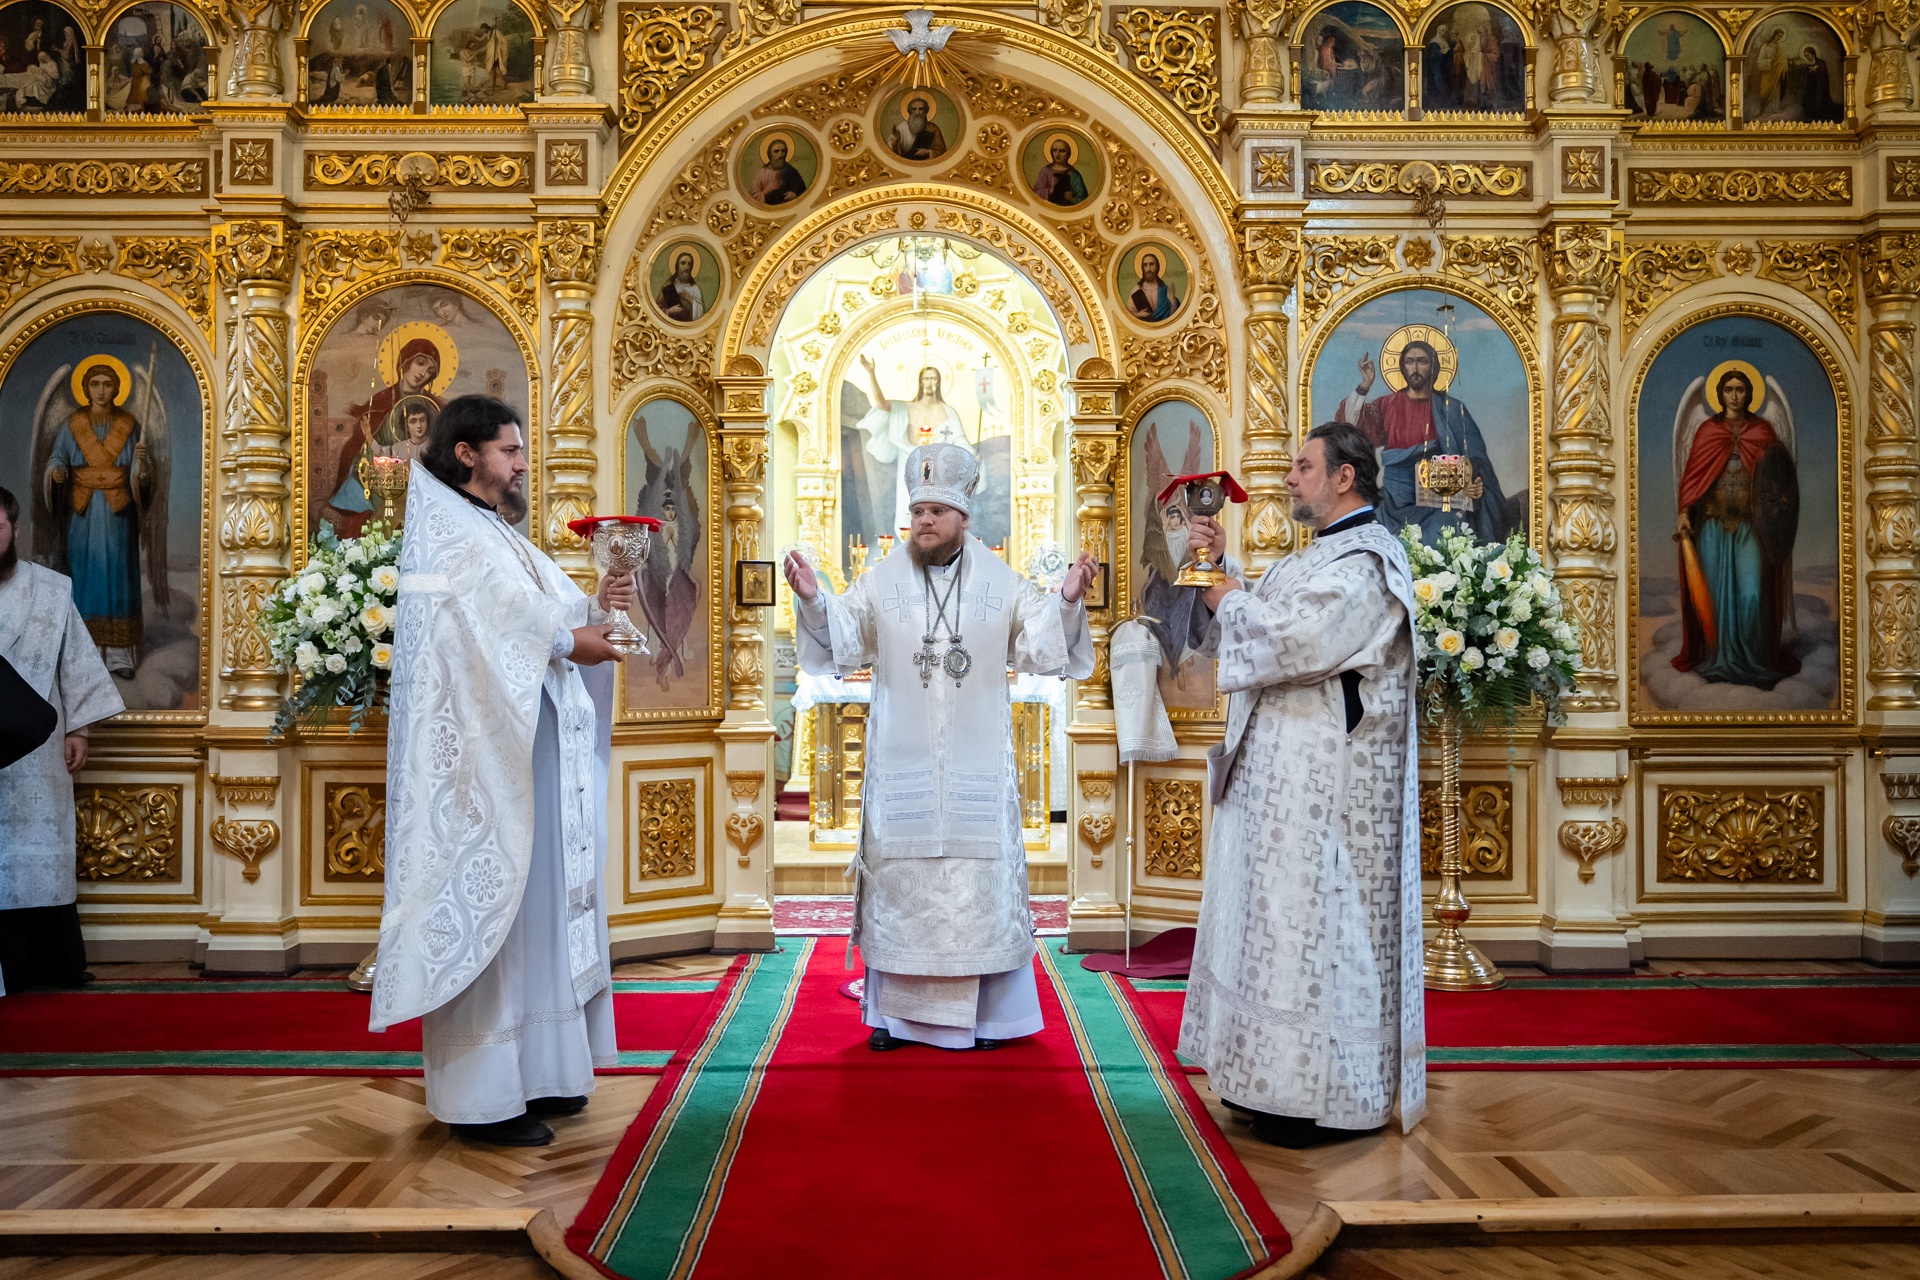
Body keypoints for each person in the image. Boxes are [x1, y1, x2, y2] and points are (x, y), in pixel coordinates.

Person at [369, 395, 635, 1147]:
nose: (521, 464)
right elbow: (521, 627)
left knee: (538, 914)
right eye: (509, 452)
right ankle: (482, 1100)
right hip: (484, 773)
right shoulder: (450, 528)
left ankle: (542, 1073)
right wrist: (570, 634)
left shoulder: (492, 529)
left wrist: (594, 605)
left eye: (519, 452)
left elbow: (541, 610)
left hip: (530, 758)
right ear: (466, 454)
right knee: (498, 923)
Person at [783, 444, 1096, 1051]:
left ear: (963, 518)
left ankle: (988, 1020)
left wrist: (1066, 597)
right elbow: (842, 635)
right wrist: (814, 599)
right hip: (904, 770)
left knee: (976, 887)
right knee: (902, 886)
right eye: (917, 510)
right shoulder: (882, 580)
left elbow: (1041, 644)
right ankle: (896, 1020)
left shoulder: (1000, 582)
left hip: (976, 771)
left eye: (936, 511)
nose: (924, 521)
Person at [1176, 422, 1424, 1147]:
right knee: (1275, 933)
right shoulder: (1322, 556)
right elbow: (1279, 606)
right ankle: (1267, 1083)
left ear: (1344, 477)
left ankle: (1318, 1098)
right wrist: (1232, 571)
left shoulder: (1366, 565)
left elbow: (1300, 640)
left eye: (1303, 467)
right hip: (1284, 788)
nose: (1290, 479)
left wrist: (1227, 597)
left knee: (1316, 936)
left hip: (1328, 797)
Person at [0, 486, 125, 996]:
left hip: (38, 745)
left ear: (15, 530)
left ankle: (51, 964)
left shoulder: (49, 589)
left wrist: (79, 727)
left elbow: (74, 660)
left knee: (38, 849)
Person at [1672, 367, 1799, 688]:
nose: (1734, 395)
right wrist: (1685, 510)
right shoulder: (1706, 432)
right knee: (1714, 597)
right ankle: (1717, 661)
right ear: (1720, 393)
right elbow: (1693, 478)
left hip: (1750, 527)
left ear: (1749, 393)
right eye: (1728, 389)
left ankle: (1755, 662)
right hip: (1712, 526)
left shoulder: (1763, 430)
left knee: (1752, 594)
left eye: (1740, 389)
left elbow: (1779, 480)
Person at [1335, 338, 1513, 545]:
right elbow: (1350, 426)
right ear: (1402, 367)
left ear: (1433, 367)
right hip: (1393, 502)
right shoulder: (1387, 405)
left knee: (1444, 532)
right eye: (1409, 361)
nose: (1415, 367)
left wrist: (1474, 485)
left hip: (1440, 502)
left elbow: (1475, 458)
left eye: (1422, 361)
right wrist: (1365, 385)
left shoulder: (1452, 409)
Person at [43, 362, 157, 677]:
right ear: (87, 388)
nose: (102, 390)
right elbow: (57, 457)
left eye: (108, 384)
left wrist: (143, 469)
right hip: (82, 513)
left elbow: (137, 472)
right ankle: (85, 656)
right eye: (96, 384)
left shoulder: (130, 425)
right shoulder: (72, 424)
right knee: (85, 577)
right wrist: (56, 471)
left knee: (118, 578)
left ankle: (120, 657)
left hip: (119, 514)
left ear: (117, 388)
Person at [1030, 136, 1088, 207]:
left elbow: (1083, 199)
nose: (1057, 154)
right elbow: (1036, 193)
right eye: (1054, 150)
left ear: (1068, 153)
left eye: (1062, 151)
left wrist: (1072, 199)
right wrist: (1050, 190)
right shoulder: (1046, 171)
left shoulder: (1074, 175)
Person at [748, 137, 807, 206]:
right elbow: (753, 196)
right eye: (776, 151)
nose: (780, 155)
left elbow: (803, 191)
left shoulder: (791, 171)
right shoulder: (762, 173)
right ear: (770, 154)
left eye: (783, 151)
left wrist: (795, 195)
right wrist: (767, 191)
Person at [887, 95, 948, 160]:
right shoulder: (902, 127)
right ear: (909, 111)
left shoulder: (933, 128)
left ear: (926, 111)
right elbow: (889, 148)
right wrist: (895, 142)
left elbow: (942, 151)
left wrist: (928, 152)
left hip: (927, 165)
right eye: (914, 109)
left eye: (921, 109)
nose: (917, 112)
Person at [1127, 251, 1181, 322]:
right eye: (1145, 265)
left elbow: (1174, 314)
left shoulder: (1164, 289)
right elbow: (1128, 313)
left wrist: (1173, 299)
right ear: (1142, 268)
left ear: (1157, 267)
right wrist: (1138, 315)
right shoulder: (1137, 289)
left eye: (1151, 264)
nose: (1148, 269)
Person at [655, 251, 706, 322]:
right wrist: (669, 311)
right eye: (683, 263)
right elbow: (657, 308)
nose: (686, 267)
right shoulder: (668, 285)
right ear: (677, 266)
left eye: (689, 264)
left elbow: (701, 314)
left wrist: (691, 300)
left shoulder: (694, 288)